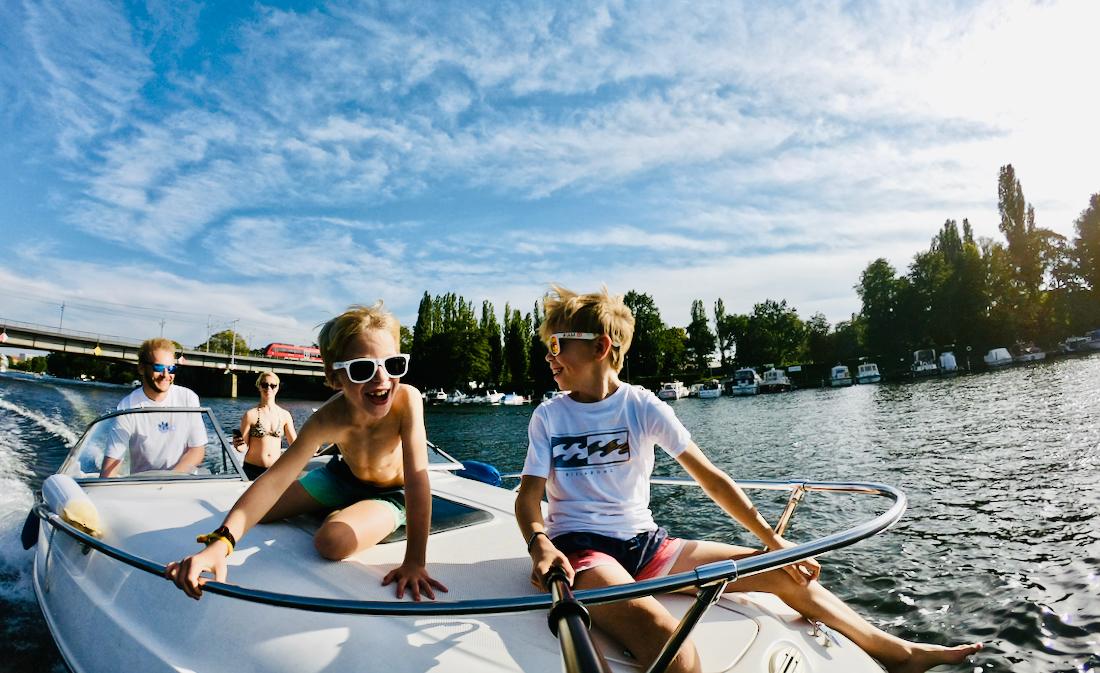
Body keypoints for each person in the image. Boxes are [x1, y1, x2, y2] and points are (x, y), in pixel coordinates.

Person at [515, 285, 982, 673]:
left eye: (557, 345)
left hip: (647, 545)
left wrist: (772, 542)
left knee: (784, 572)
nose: (549, 357)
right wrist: (540, 544)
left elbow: (711, 479)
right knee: (676, 652)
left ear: (599, 347)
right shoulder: (549, 416)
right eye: (547, 347)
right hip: (582, 550)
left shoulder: (642, 407)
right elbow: (529, 498)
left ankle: (895, 654)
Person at [166, 303, 447, 602]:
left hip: (393, 492)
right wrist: (219, 544)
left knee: (331, 542)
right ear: (335, 377)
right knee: (264, 512)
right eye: (362, 369)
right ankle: (338, 503)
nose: (381, 379)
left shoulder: (407, 400)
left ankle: (346, 513)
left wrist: (415, 562)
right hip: (340, 478)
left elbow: (418, 481)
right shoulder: (327, 418)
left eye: (393, 365)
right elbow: (273, 481)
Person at [101, 337, 207, 478]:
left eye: (171, 368)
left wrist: (170, 479)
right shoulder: (127, 407)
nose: (166, 375)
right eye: (158, 368)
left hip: (181, 481)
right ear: (141, 368)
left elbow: (197, 449)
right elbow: (110, 468)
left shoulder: (188, 398)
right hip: (143, 486)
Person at [234, 371, 298, 480]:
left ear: (277, 388)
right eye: (265, 385)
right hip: (252, 470)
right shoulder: (250, 415)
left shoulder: (285, 415)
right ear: (259, 387)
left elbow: (295, 444)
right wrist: (238, 445)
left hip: (275, 470)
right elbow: (243, 447)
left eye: (273, 386)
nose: (269, 388)